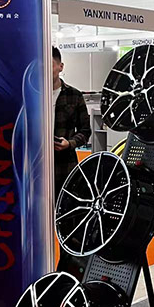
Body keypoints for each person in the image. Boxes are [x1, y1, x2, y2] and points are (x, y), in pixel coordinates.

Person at [52, 46, 91, 198]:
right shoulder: (31, 96)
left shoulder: (74, 96)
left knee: (64, 205)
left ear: (60, 67)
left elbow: (85, 131)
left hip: (65, 166)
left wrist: (69, 143)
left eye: (50, 65)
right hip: (36, 167)